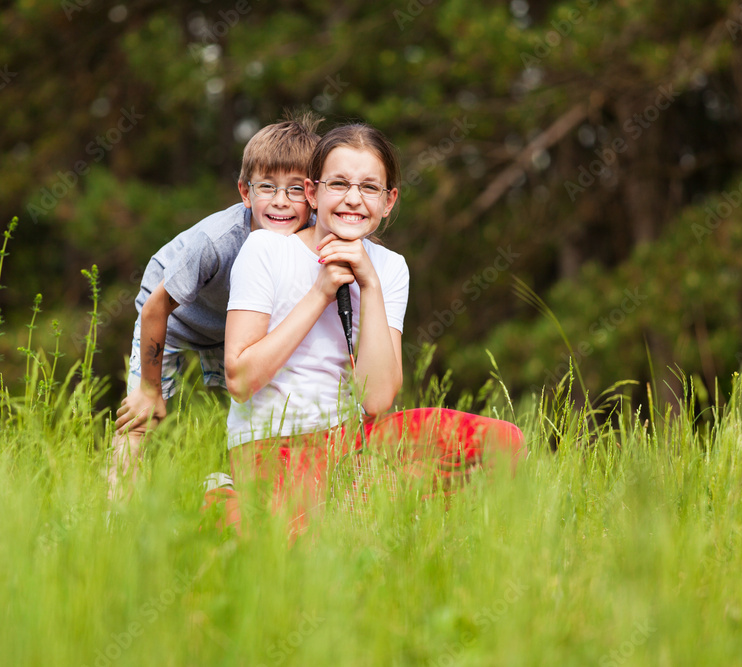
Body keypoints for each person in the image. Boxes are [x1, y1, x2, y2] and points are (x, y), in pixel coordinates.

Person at [224, 123, 524, 531]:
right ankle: (236, 502)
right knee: (306, 549)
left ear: (388, 201)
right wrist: (321, 293)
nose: (353, 199)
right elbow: (240, 379)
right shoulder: (268, 249)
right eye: (339, 183)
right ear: (313, 192)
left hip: (354, 440)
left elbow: (379, 398)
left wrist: (369, 284)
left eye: (369, 188)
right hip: (276, 445)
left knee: (504, 442)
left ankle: (362, 509)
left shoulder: (389, 267)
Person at [107, 113, 322, 503]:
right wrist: (149, 389)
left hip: (236, 332)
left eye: (295, 189)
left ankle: (240, 500)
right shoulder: (216, 241)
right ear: (245, 192)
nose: (280, 201)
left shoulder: (314, 237)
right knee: (140, 418)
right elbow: (155, 310)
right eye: (267, 188)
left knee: (249, 415)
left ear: (313, 195)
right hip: (175, 317)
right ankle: (116, 516)